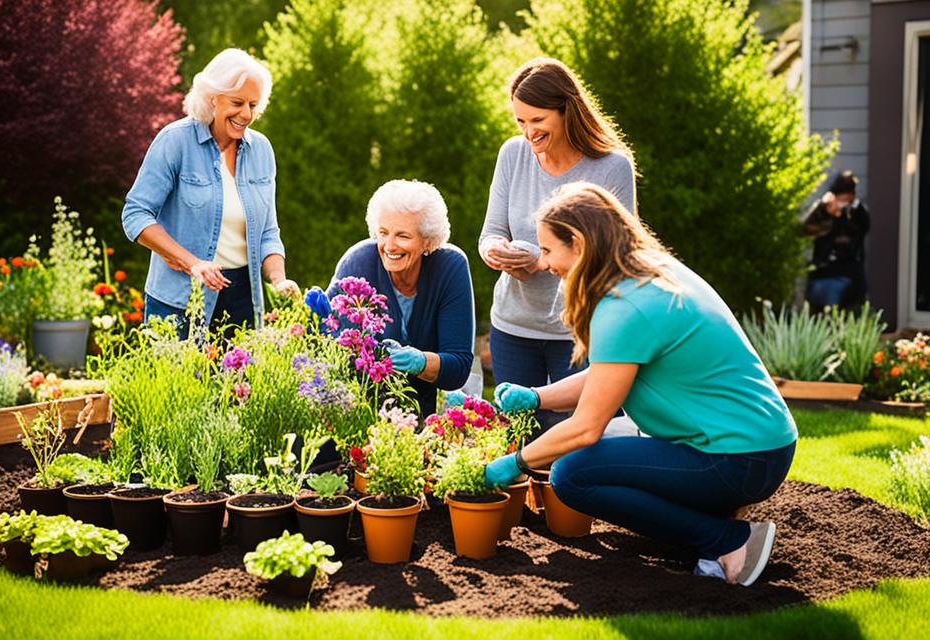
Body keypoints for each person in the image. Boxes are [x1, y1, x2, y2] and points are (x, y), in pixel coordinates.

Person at [484, 182, 797, 587]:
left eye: (547, 250)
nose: (543, 263)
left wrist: (516, 463)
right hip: (757, 446)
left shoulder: (624, 306)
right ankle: (713, 519)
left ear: (577, 243)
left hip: (739, 458)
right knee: (607, 451)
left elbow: (585, 427)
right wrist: (536, 397)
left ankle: (727, 541)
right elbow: (608, 376)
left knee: (573, 475)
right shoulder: (648, 275)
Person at [479, 57, 636, 434]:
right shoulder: (512, 155)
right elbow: (490, 233)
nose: (528, 132)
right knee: (520, 439)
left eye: (537, 120)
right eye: (520, 121)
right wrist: (495, 251)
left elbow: (619, 257)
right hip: (514, 328)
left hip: (580, 332)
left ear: (567, 110)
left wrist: (537, 258)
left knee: (585, 442)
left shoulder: (611, 167)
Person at [122, 48, 299, 336]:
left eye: (253, 105)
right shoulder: (175, 141)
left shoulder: (262, 151)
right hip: (180, 300)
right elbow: (136, 214)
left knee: (240, 383)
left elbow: (268, 231)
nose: (246, 114)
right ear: (212, 97)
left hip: (243, 300)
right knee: (177, 381)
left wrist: (279, 280)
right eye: (237, 102)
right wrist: (191, 263)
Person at [320, 179, 476, 418]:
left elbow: (458, 367)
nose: (389, 246)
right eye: (383, 233)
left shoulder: (450, 267)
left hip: (418, 418)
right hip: (353, 413)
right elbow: (336, 357)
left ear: (427, 240)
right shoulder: (358, 263)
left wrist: (419, 362)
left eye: (402, 236)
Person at [803, 171, 870, 309]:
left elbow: (863, 227)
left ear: (851, 196)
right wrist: (823, 209)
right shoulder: (824, 212)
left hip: (849, 273)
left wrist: (847, 212)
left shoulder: (857, 212)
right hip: (822, 272)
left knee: (847, 308)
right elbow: (806, 229)